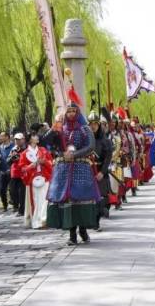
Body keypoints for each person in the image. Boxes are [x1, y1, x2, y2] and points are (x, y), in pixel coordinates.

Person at [47, 102, 99, 245]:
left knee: (80, 199)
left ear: (77, 112)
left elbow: (90, 146)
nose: (70, 113)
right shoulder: (60, 128)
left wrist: (75, 154)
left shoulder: (84, 128)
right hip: (63, 168)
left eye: (73, 111)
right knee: (68, 200)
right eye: (68, 111)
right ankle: (72, 235)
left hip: (81, 168)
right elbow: (48, 144)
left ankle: (83, 229)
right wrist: (60, 150)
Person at [19, 132, 52, 229]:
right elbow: (22, 169)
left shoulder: (43, 150)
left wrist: (44, 162)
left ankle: (44, 220)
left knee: (45, 200)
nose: (37, 137)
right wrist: (30, 166)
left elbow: (51, 162)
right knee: (36, 201)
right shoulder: (24, 154)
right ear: (30, 139)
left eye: (37, 136)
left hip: (44, 178)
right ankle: (37, 222)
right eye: (34, 136)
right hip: (32, 179)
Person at [88, 112, 113, 230]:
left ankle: (96, 222)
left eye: (95, 124)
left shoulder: (105, 140)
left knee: (100, 199)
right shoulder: (85, 140)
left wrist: (102, 172)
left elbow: (108, 158)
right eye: (91, 124)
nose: (93, 126)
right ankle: (90, 221)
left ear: (98, 125)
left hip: (100, 172)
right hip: (87, 172)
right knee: (88, 199)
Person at [8, 132, 26, 216]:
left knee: (22, 193)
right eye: (16, 140)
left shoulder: (27, 149)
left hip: (23, 173)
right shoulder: (13, 149)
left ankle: (21, 210)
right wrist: (12, 157)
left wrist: (20, 157)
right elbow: (8, 161)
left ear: (23, 139)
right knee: (12, 191)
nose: (17, 141)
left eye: (19, 139)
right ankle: (16, 205)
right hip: (14, 174)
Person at [0, 131, 14, 212]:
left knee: (12, 189)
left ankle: (15, 205)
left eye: (2, 136)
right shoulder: (0, 147)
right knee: (2, 189)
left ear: (7, 137)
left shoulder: (13, 146)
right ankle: (5, 205)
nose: (1, 138)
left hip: (11, 170)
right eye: (0, 136)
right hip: (2, 171)